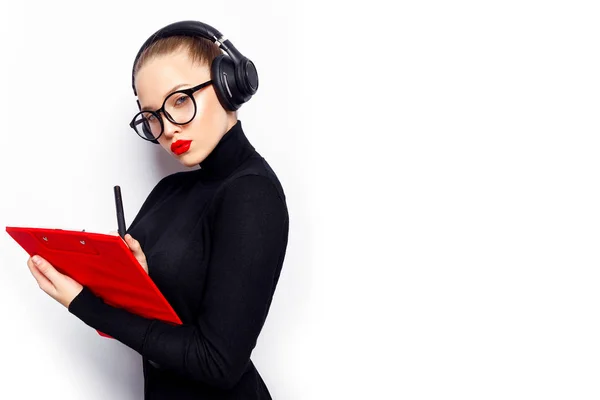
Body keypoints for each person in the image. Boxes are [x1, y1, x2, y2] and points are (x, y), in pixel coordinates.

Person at [25, 20, 289, 399]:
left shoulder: (251, 192)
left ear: (229, 84)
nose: (166, 128)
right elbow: (170, 322)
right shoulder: (169, 190)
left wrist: (83, 304)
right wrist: (136, 282)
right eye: (151, 116)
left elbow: (218, 363)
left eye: (180, 100)